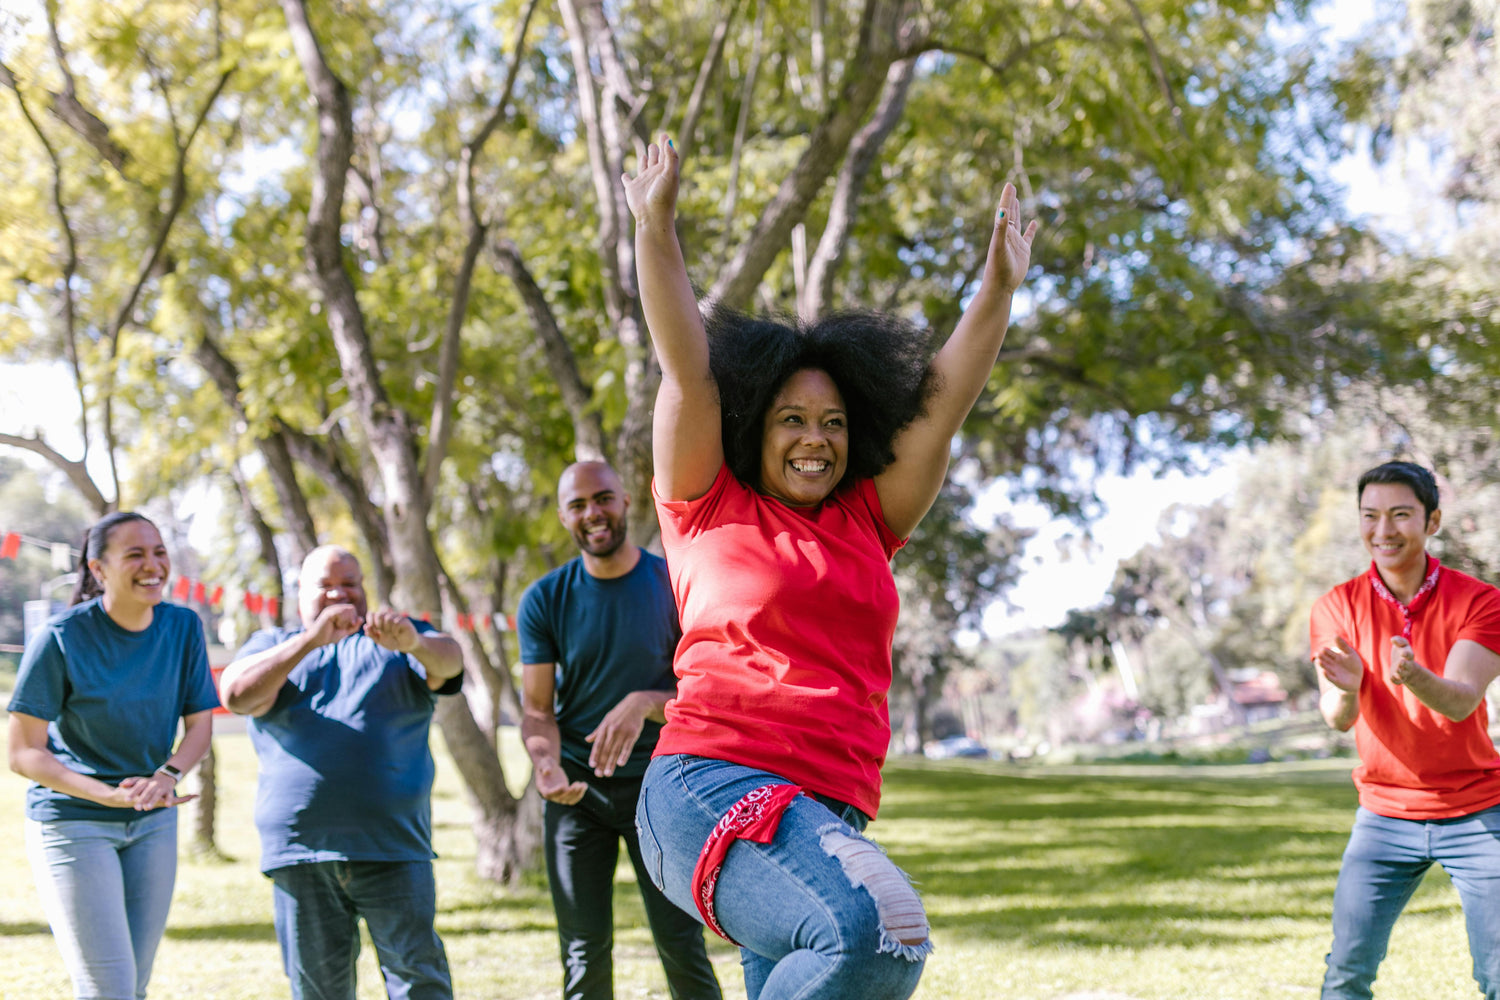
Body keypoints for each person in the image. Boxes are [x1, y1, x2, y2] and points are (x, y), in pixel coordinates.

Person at [622, 136, 1039, 1000]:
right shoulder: (707, 502)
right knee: (881, 932)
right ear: (755, 425)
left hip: (824, 810)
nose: (815, 439)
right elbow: (686, 366)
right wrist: (655, 228)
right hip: (709, 786)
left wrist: (997, 287)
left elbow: (945, 402)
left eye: (835, 423)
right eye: (792, 419)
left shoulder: (867, 521)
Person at [219, 545, 465, 1000]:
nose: (338, 593)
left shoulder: (397, 641)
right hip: (301, 853)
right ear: (299, 593)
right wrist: (310, 640)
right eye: (324, 585)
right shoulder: (273, 646)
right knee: (318, 991)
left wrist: (413, 642)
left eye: (350, 583)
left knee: (419, 981)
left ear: (365, 590)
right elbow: (236, 695)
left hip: (393, 847)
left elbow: (450, 663)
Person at [519, 461, 723, 1000]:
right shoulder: (544, 600)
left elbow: (710, 694)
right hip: (577, 795)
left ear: (627, 500)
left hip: (663, 791)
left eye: (603, 498)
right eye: (578, 505)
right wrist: (545, 762)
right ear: (564, 515)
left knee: (681, 945)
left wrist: (645, 702)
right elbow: (537, 710)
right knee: (583, 952)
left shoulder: (675, 586)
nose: (593, 514)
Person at [7, 511, 218, 1000]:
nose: (153, 565)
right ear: (99, 569)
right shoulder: (61, 637)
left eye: (159, 551)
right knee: (110, 989)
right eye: (135, 554)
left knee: (132, 986)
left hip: (153, 820)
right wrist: (107, 796)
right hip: (73, 822)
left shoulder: (183, 626)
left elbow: (200, 724)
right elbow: (22, 753)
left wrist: (167, 775)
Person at [1311, 461, 1500, 1000]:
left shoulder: (1480, 601)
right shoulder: (1336, 606)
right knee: (1346, 973)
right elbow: (1337, 717)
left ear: (1432, 520)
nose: (1383, 530)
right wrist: (1348, 688)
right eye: (1370, 516)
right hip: (1383, 815)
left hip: (1478, 810)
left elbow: (1462, 702)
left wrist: (1412, 676)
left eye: (1400, 515)